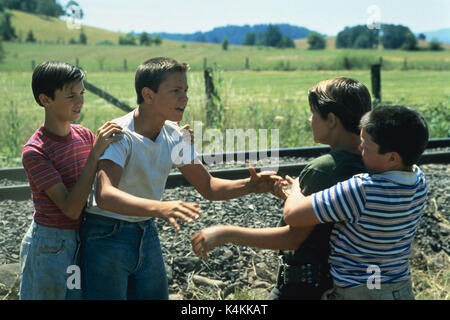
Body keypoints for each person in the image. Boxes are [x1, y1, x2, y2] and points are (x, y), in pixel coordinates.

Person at [80, 57, 282, 300]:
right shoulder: (120, 135)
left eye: (185, 90)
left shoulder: (174, 134)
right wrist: (160, 207)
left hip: (146, 230)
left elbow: (208, 186)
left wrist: (249, 185)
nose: (184, 98)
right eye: (175, 91)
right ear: (148, 95)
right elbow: (105, 195)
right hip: (106, 235)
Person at [191, 77, 372, 299]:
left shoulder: (324, 169)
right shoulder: (370, 161)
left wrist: (224, 233)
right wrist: (292, 198)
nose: (309, 119)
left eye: (313, 112)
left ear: (332, 120)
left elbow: (293, 238)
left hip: (304, 288)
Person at [282, 105, 429, 300]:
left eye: (366, 146)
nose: (360, 149)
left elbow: (292, 215)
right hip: (398, 289)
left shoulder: (362, 190)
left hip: (361, 292)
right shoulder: (419, 181)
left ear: (392, 158)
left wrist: (296, 189)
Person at [20, 60, 123, 300]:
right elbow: (70, 209)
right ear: (45, 100)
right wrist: (95, 154)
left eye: (81, 93)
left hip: (80, 239)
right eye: (71, 96)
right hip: (50, 245)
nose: (80, 101)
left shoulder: (84, 135)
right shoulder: (35, 151)